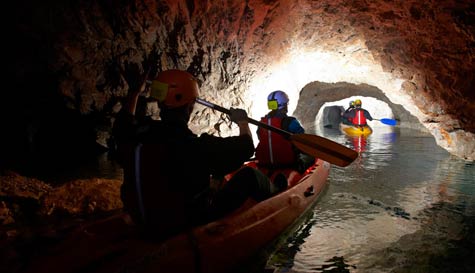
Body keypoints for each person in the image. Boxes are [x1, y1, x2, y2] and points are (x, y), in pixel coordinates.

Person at [112, 69, 279, 240]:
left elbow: (122, 126)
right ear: (190, 105)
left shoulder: (137, 134)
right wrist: (243, 122)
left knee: (214, 174)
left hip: (143, 220)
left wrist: (134, 93)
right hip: (185, 223)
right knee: (250, 175)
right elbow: (246, 147)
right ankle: (279, 194)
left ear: (160, 102)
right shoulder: (195, 146)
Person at [255, 90, 315, 174]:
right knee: (312, 158)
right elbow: (302, 142)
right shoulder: (290, 122)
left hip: (264, 165)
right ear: (284, 105)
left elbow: (260, 138)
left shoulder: (261, 123)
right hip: (287, 165)